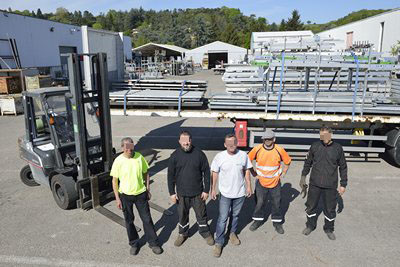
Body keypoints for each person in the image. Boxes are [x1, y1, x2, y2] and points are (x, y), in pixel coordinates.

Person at [111, 137, 163, 255]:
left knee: (147, 219)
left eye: (131, 147)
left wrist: (148, 188)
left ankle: (153, 243)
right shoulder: (118, 161)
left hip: (140, 194)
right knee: (129, 221)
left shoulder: (139, 157)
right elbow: (114, 181)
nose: (130, 150)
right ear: (123, 148)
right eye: (127, 147)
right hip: (125, 196)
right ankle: (134, 243)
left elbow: (146, 173)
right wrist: (117, 198)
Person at [300, 126, 348, 240]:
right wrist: (303, 177)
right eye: (321, 135)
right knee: (311, 206)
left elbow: (343, 167)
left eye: (326, 135)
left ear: (331, 135)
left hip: (330, 184)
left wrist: (343, 184)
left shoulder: (338, 148)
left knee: (330, 208)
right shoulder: (315, 146)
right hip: (315, 183)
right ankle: (310, 226)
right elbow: (308, 162)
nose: (324, 138)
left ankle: (329, 229)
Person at [168, 131, 214, 247]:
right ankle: (183, 234)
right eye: (183, 141)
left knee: (201, 215)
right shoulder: (174, 156)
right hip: (182, 194)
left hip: (198, 194)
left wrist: (206, 190)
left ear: (191, 140)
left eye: (188, 141)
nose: (186, 143)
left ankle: (205, 233)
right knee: (182, 216)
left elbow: (206, 173)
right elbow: (170, 175)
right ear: (179, 142)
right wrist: (172, 193)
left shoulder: (199, 154)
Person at [210, 134, 253, 257]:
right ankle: (219, 242)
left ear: (237, 143)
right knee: (223, 218)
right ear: (225, 145)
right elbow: (214, 173)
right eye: (228, 144)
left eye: (233, 143)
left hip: (239, 193)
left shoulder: (243, 155)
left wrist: (249, 186)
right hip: (225, 194)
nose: (231, 146)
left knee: (235, 215)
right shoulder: (220, 157)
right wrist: (213, 189)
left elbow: (247, 171)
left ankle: (232, 233)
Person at [248, 129, 291, 234]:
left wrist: (284, 172)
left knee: (276, 203)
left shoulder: (279, 150)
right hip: (261, 182)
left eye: (269, 139)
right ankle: (257, 220)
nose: (267, 141)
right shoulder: (257, 149)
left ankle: (277, 223)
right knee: (260, 202)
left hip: (275, 183)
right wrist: (253, 173)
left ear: (274, 139)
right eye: (265, 139)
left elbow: (287, 161)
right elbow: (247, 160)